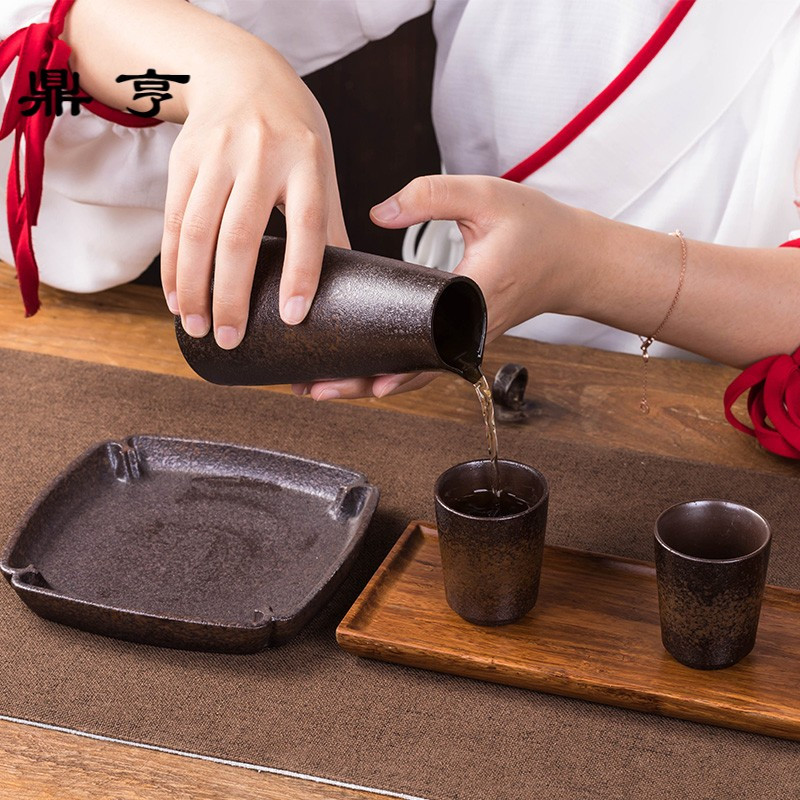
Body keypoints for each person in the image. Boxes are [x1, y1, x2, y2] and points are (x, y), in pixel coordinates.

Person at [1, 0, 799, 456]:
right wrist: (225, 73)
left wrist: (583, 264)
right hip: (463, 386)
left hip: (712, 428)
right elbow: (71, 28)